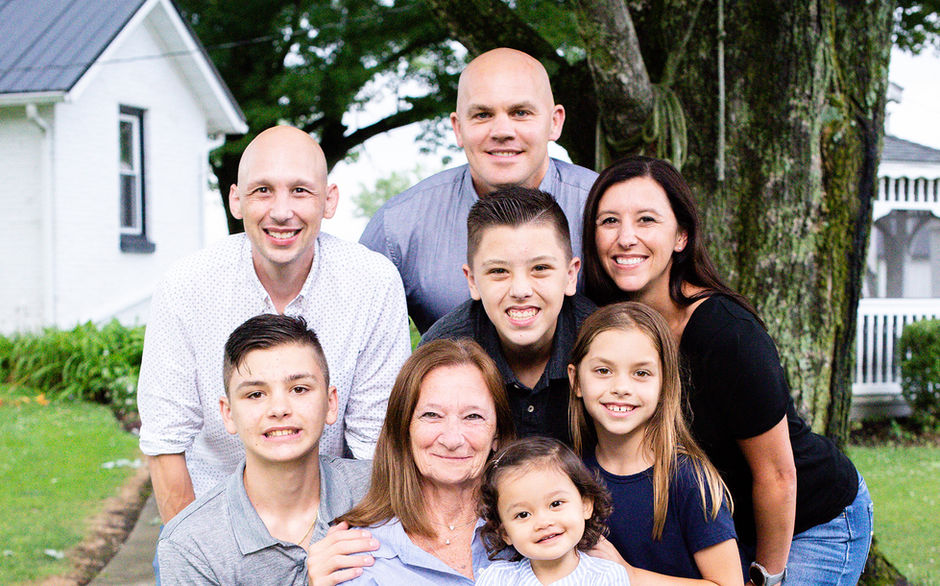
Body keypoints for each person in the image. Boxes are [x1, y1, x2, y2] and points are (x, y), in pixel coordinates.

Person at [581, 155, 873, 585]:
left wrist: (767, 577)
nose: (626, 237)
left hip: (811, 520)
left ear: (681, 236)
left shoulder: (725, 333)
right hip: (728, 526)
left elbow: (777, 474)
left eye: (646, 220)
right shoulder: (607, 327)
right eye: (609, 221)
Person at [138, 125, 411, 524]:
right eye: (262, 190)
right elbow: (165, 442)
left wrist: (349, 546)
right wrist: (195, 551)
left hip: (335, 521)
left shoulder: (372, 282)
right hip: (211, 519)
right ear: (236, 199)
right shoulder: (186, 286)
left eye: (300, 190)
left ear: (329, 200)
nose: (281, 211)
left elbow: (378, 444)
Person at [360, 48, 597, 333]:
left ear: (554, 122)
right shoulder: (398, 227)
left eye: (520, 113)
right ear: (458, 128)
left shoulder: (604, 209)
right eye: (483, 115)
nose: (501, 131)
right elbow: (350, 337)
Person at [158, 314, 377, 584]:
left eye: (299, 388)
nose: (279, 409)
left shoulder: (382, 490)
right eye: (255, 394)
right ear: (228, 414)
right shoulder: (190, 545)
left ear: (331, 403)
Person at [568, 302, 741, 584]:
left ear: (665, 385)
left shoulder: (688, 479)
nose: (621, 387)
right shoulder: (570, 474)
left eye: (641, 373)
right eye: (603, 371)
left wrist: (629, 576)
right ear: (575, 380)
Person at [421, 188, 595, 444]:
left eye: (540, 268)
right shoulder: (442, 348)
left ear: (571, 276)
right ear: (472, 281)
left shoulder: (603, 341)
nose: (521, 291)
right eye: (499, 271)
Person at [336, 339, 517, 585]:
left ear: (496, 433)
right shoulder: (358, 555)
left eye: (473, 416)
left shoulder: (537, 526)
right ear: (404, 428)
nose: (452, 439)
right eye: (432, 415)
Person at [476, 436, 631, 585]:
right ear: (505, 533)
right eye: (523, 514)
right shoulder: (498, 578)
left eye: (555, 504)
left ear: (585, 505)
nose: (543, 522)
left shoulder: (606, 576)